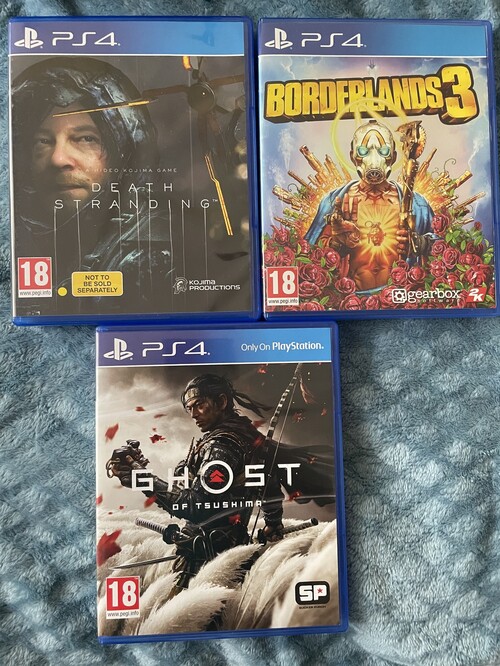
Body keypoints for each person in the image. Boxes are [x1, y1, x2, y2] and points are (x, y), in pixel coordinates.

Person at [11, 57, 171, 314]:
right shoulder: (22, 243)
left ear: (124, 151)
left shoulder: (157, 258)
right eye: (43, 141)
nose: (58, 159)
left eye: (86, 139)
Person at [108, 374, 285, 591]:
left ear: (221, 402)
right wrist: (273, 522)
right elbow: (270, 485)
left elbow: (196, 506)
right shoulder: (248, 438)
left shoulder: (222, 446)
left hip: (203, 560)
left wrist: (141, 479)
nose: (193, 414)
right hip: (228, 554)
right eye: (189, 408)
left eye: (199, 405)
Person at [305, 119, 435, 293]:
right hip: (350, 301)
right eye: (363, 151)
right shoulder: (334, 202)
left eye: (383, 151)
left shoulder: (417, 205)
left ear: (393, 156)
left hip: (401, 298)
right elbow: (308, 257)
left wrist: (421, 243)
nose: (374, 159)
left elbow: (445, 246)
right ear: (353, 156)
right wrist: (336, 244)